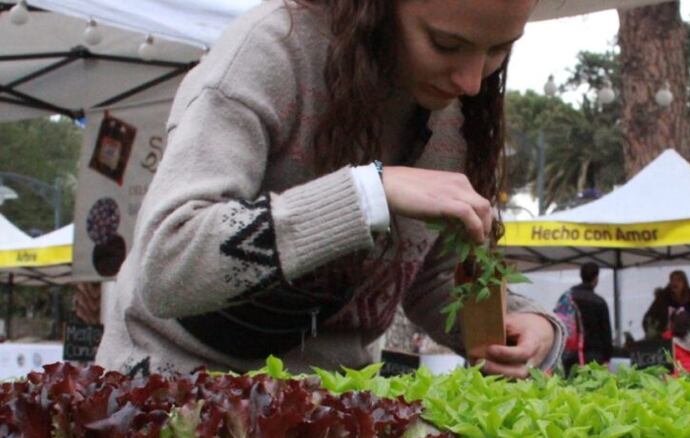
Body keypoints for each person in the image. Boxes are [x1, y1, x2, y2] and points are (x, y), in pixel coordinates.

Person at [95, 0, 561, 379]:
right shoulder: (271, 52)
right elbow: (168, 264)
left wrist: (523, 325)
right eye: (445, 44)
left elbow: (429, 276)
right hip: (177, 400)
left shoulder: (455, 116)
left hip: (333, 421)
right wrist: (366, 195)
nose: (472, 81)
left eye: (500, 49)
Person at [559, 262, 613, 372]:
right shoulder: (599, 301)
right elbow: (606, 333)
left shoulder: (567, 297)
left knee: (569, 386)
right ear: (596, 278)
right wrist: (607, 357)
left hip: (569, 354)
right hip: (594, 356)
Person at [642, 270, 690, 340]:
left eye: (678, 280)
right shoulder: (663, 298)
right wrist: (656, 332)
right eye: (672, 280)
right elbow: (648, 318)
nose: (675, 283)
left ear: (684, 283)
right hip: (665, 338)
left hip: (689, 337)